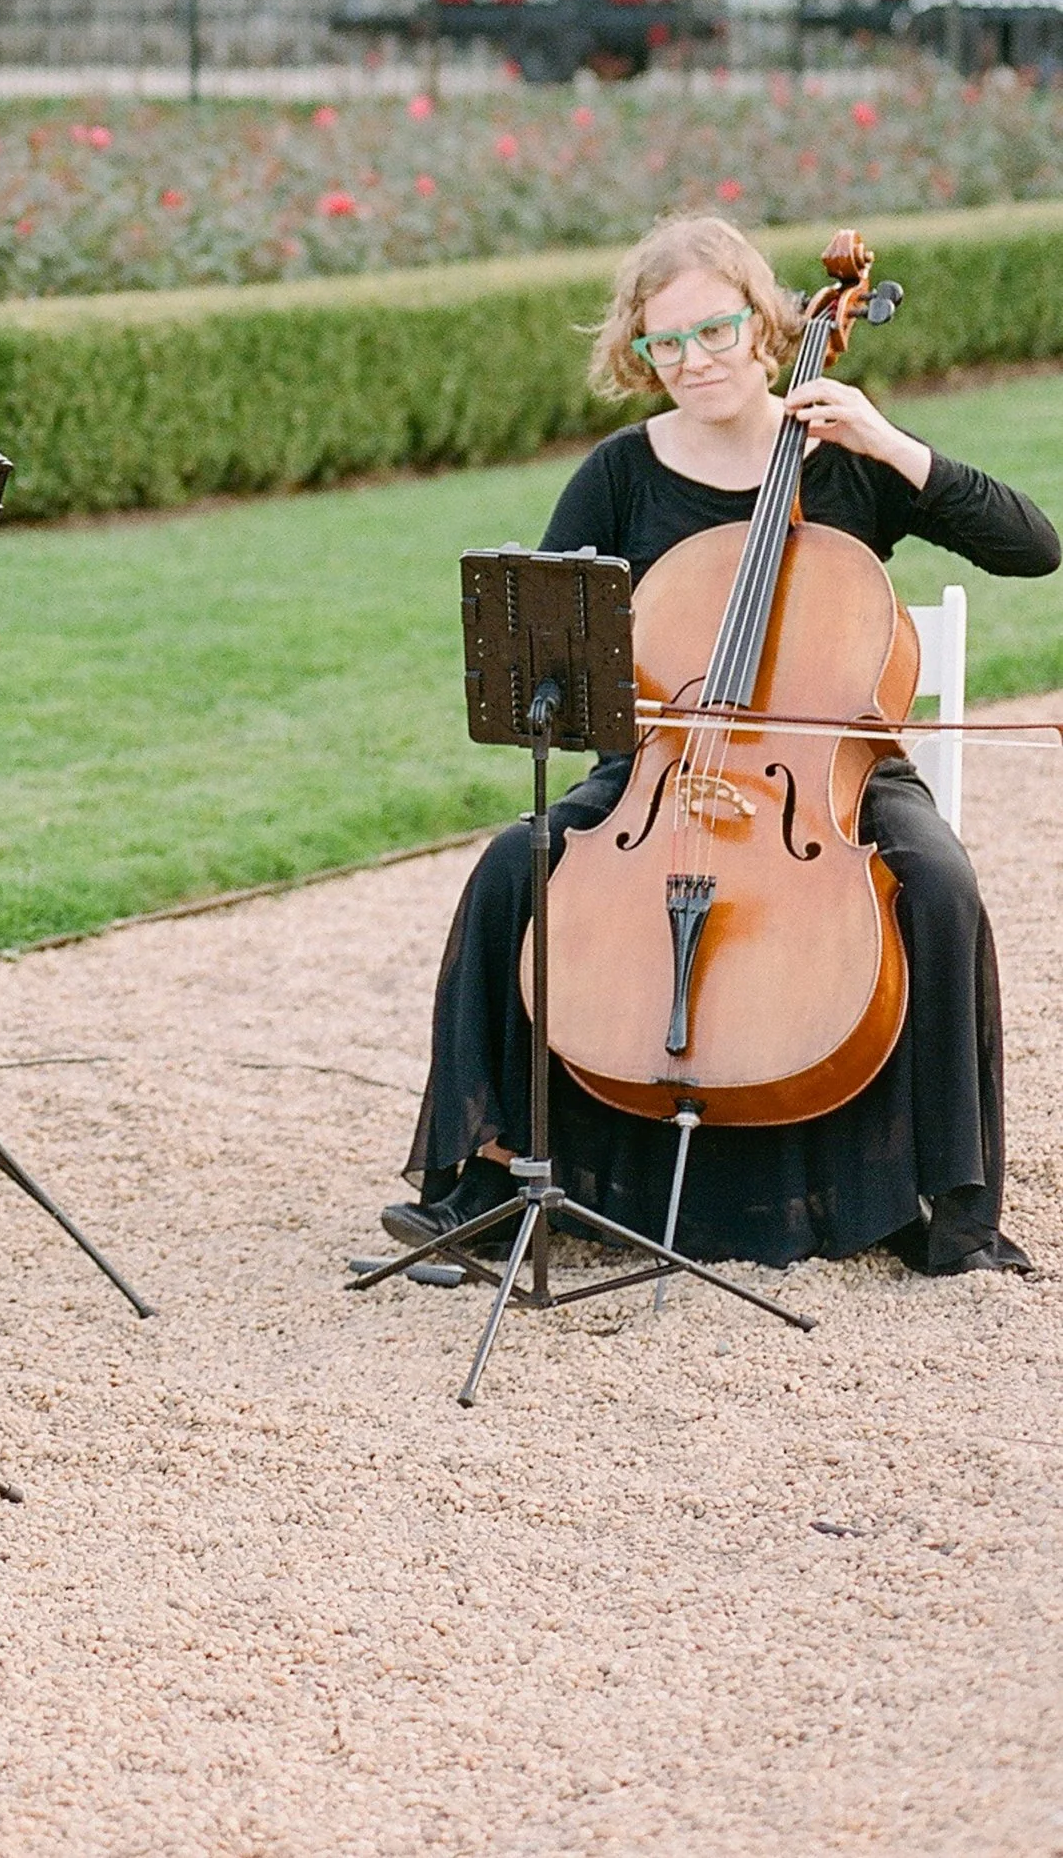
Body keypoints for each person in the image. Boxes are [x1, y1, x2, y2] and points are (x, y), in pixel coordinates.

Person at [386, 213, 1057, 1277]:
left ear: (764, 321)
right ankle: (478, 1174)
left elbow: (1035, 546)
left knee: (936, 878)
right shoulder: (621, 472)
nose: (691, 360)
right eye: (665, 343)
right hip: (658, 762)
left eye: (712, 330)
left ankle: (951, 1206)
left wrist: (888, 440)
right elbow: (555, 647)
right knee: (515, 861)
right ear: (637, 351)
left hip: (830, 768)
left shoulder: (843, 457)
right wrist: (621, 725)